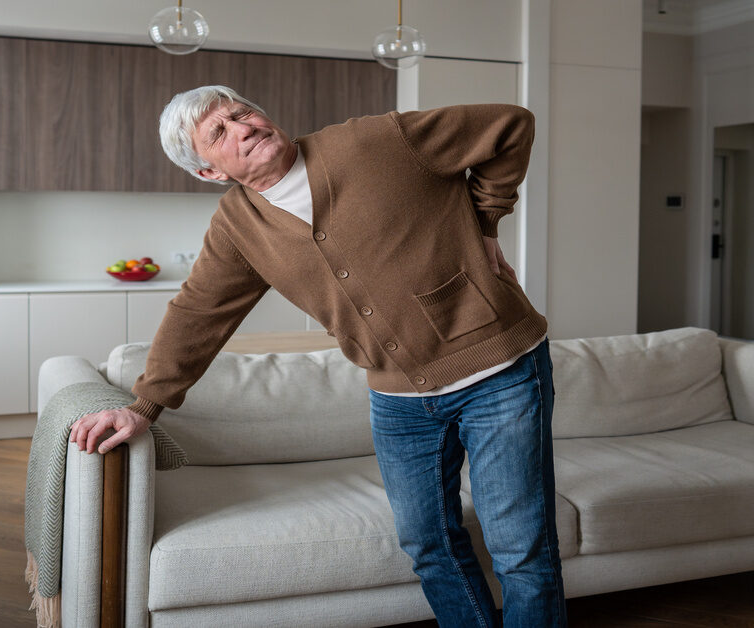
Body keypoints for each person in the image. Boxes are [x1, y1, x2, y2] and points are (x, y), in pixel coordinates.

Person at [69, 85, 567, 628]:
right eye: (220, 132)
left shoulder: (375, 141)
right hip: (398, 396)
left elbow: (510, 124)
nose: (244, 127)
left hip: (499, 370)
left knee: (520, 548)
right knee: (428, 544)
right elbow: (198, 313)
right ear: (209, 173)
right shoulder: (239, 228)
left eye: (242, 113)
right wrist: (144, 407)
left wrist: (485, 223)